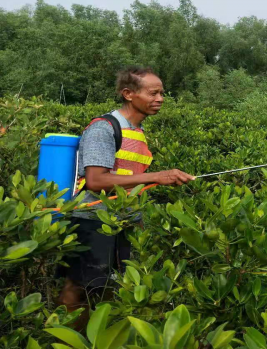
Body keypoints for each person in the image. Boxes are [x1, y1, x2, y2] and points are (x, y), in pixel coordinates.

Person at [57, 66, 195, 323]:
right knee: (78, 290)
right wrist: (157, 176)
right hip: (93, 222)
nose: (160, 99)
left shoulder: (136, 131)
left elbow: (129, 181)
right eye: (153, 93)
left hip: (122, 222)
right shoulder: (104, 128)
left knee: (107, 290)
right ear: (128, 94)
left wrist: (136, 217)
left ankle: (96, 337)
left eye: (162, 93)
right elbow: (96, 180)